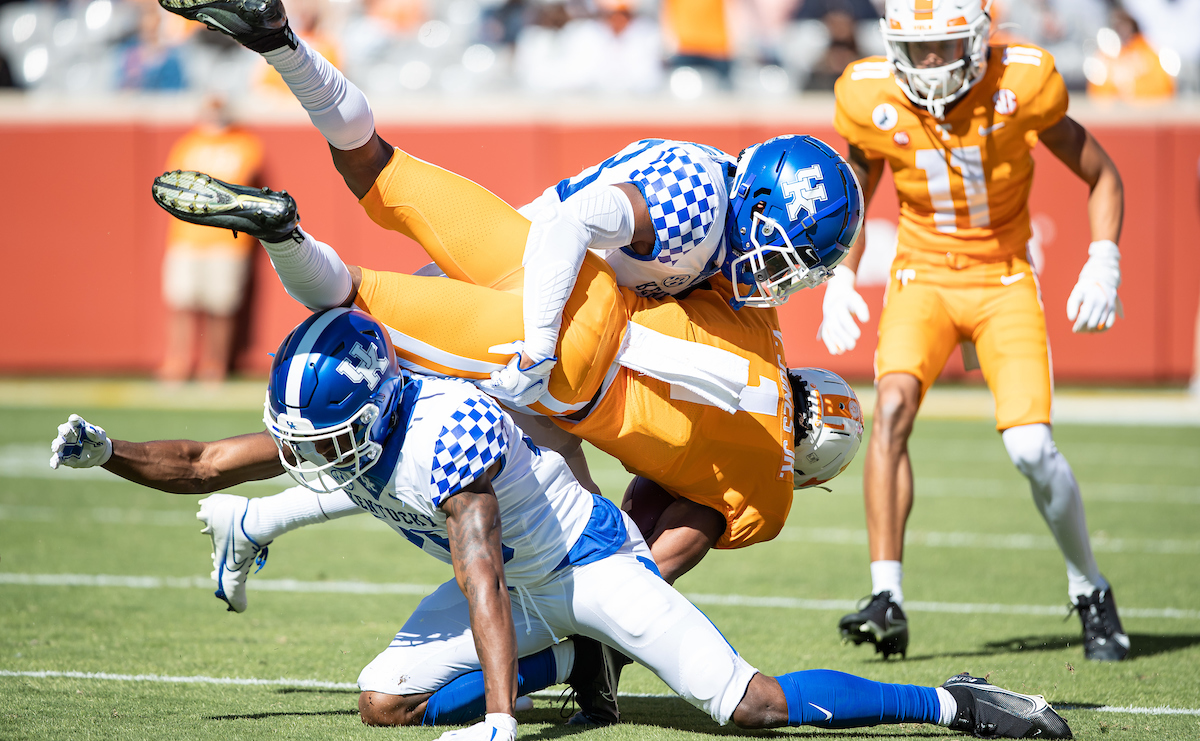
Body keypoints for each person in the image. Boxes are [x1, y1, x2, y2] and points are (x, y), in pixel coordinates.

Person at [48, 306, 1074, 741]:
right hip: (516, 573)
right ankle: (563, 664)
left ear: (374, 411)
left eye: (326, 439)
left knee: (750, 705)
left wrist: (501, 715)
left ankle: (949, 700)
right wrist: (109, 456)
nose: (310, 452)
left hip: (583, 565)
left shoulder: (442, 437)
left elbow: (486, 574)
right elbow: (196, 462)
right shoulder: (360, 426)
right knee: (381, 704)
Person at [149, 168, 864, 614]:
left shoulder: (756, 314)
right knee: (402, 429)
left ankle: (252, 519)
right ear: (812, 471)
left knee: (388, 402)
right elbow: (647, 558)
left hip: (560, 289)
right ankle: (287, 243)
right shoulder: (762, 496)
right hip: (556, 377)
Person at [154, 0, 863, 417]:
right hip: (534, 283)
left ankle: (281, 42)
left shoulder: (718, 204)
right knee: (360, 316)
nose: (781, 282)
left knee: (376, 166)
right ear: (760, 207)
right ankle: (285, 234)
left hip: (523, 259)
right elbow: (569, 226)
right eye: (786, 259)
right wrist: (539, 346)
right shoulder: (694, 205)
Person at [819, 0, 1130, 660]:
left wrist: (1104, 259)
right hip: (921, 276)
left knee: (1031, 450)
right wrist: (841, 276)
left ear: (981, 39)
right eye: (918, 48)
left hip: (1002, 278)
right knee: (893, 409)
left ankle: (1090, 589)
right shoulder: (870, 95)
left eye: (946, 46)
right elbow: (856, 188)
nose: (931, 63)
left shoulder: (1022, 85)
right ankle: (887, 597)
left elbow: (1102, 174)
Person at [156, 94, 264, 383]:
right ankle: (177, 363)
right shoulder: (188, 143)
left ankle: (214, 366)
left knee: (221, 307)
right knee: (181, 303)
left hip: (227, 241)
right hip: (187, 238)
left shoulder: (244, 144)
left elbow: (241, 183)